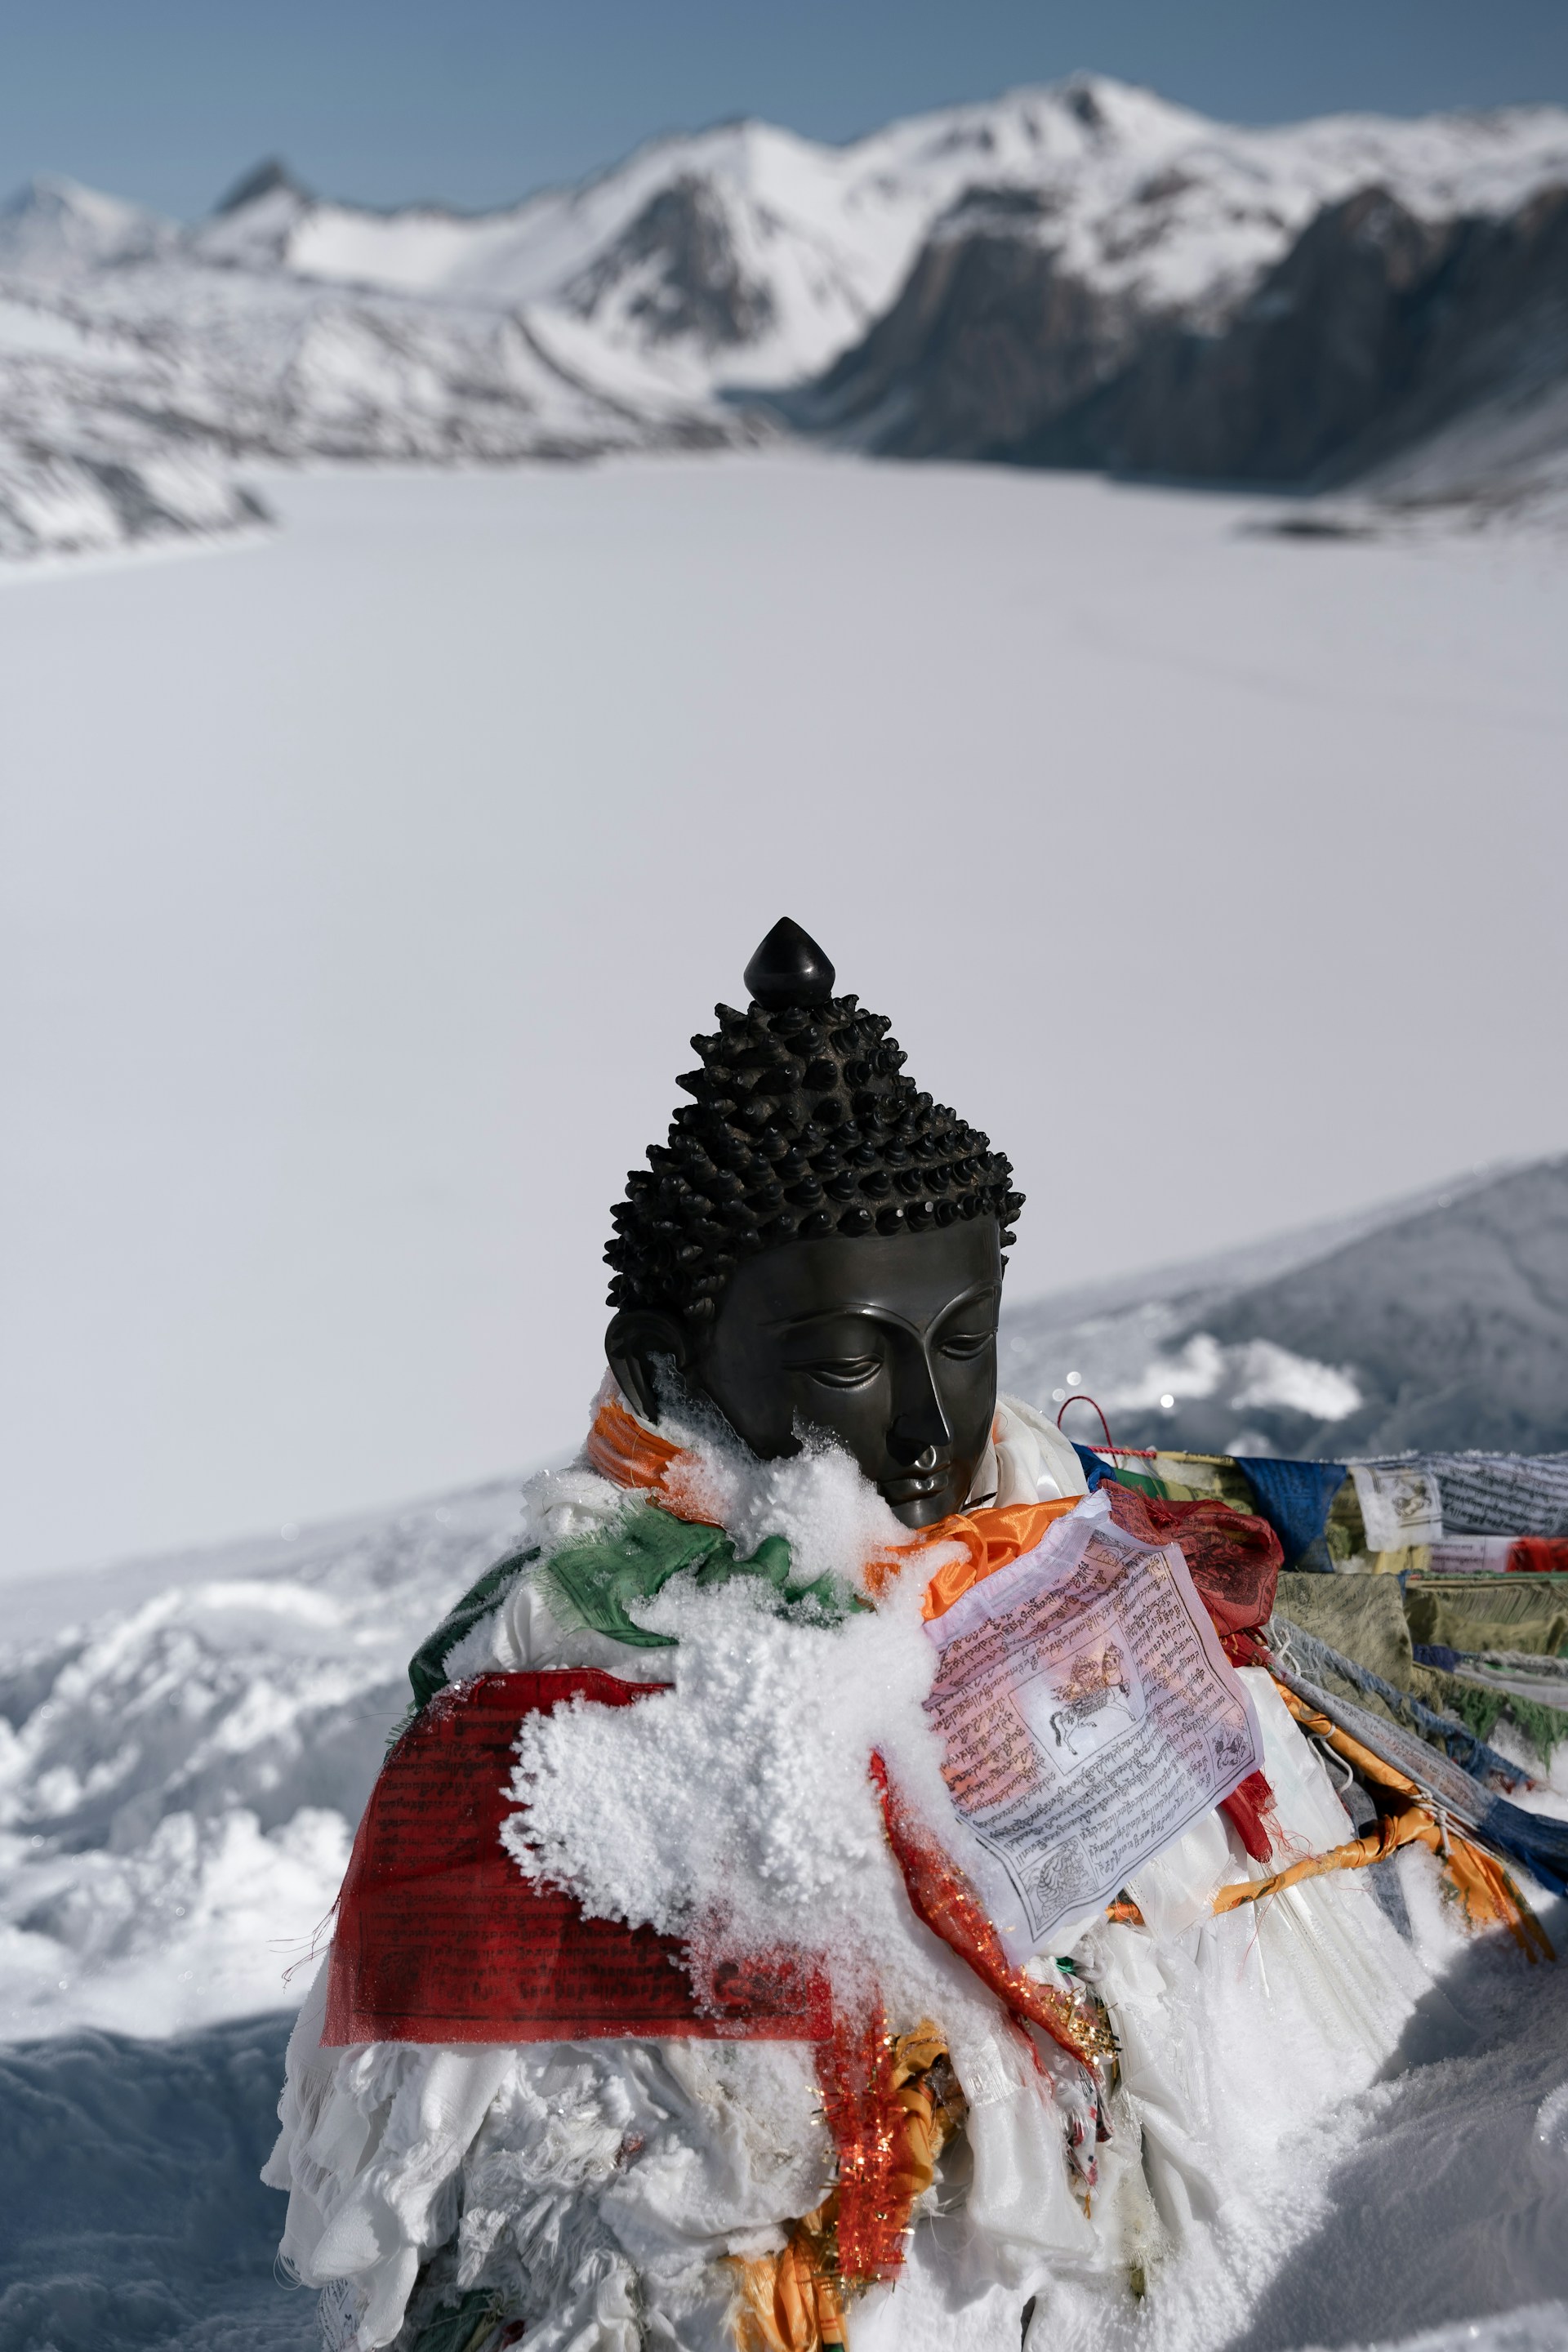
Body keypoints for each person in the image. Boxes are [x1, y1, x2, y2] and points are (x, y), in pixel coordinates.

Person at [266, 921, 1449, 2352]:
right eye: (847, 1363)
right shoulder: (554, 1694)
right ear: (670, 1352)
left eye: (965, 1342)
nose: (932, 1429)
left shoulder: (1090, 1557)